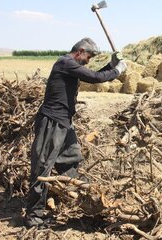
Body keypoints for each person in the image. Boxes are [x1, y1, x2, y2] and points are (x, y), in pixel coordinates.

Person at [24, 37, 127, 228]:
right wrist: (117, 70)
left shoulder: (71, 66)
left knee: (72, 160)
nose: (88, 61)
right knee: (42, 167)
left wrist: (111, 65)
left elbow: (93, 75)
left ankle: (86, 202)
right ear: (79, 52)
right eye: (87, 57)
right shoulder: (65, 62)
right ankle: (33, 216)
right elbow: (95, 78)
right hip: (52, 122)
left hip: (64, 123)